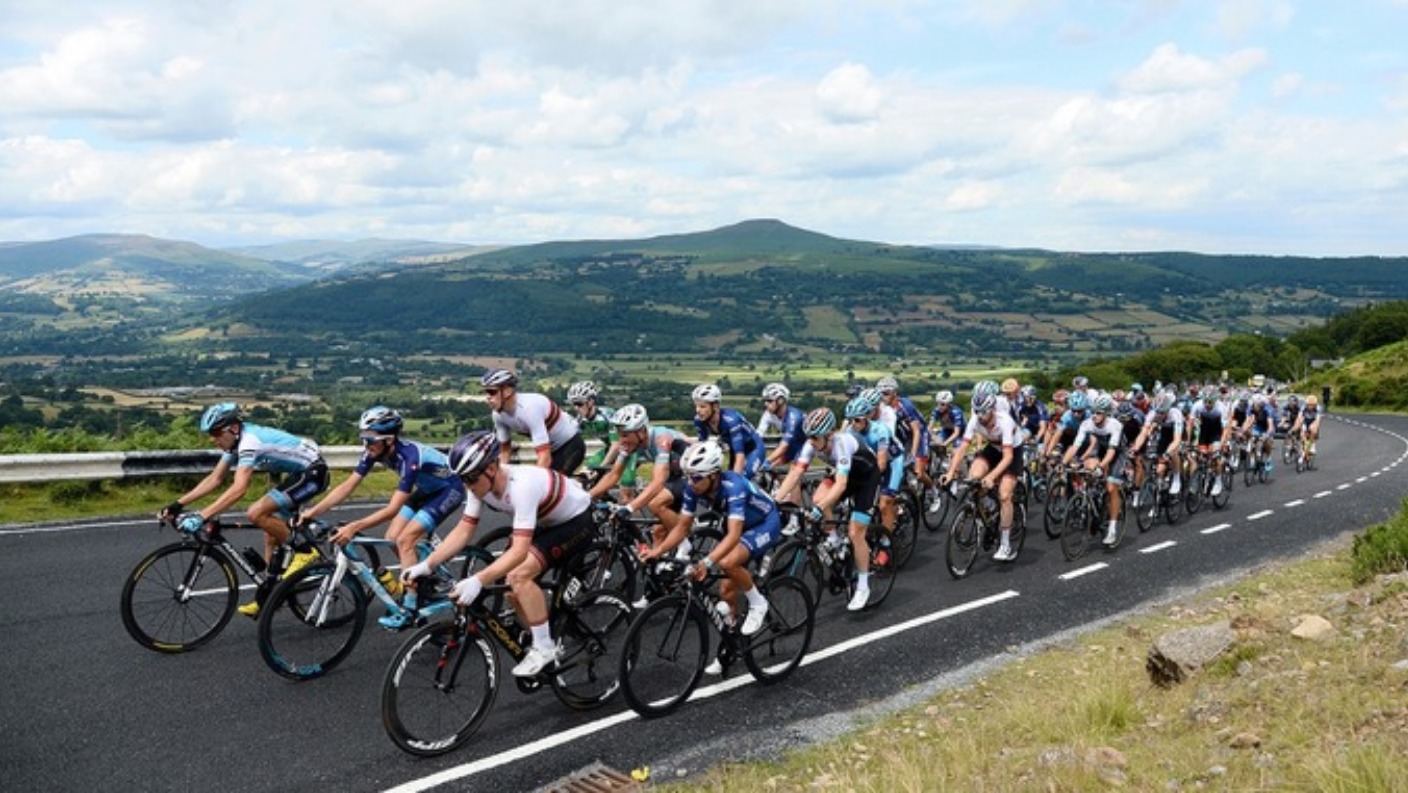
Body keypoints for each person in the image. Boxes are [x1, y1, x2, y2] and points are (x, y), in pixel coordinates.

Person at [402, 430, 597, 678]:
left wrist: (478, 579)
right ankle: (547, 637)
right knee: (510, 590)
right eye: (463, 480)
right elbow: (463, 531)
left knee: (518, 576)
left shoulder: (521, 487)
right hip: (545, 520)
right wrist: (427, 565)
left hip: (575, 521)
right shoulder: (478, 483)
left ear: (492, 468)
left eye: (470, 479)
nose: (467, 486)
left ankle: (545, 648)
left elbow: (519, 551)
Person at [299, 406, 465, 629]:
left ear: (389, 440)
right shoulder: (373, 452)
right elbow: (348, 486)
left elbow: (392, 508)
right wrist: (313, 511)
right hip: (427, 489)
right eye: (363, 438)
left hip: (449, 489)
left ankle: (410, 605)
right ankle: (424, 579)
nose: (366, 445)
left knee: (405, 540)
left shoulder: (410, 457)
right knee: (392, 537)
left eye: (370, 439)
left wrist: (354, 526)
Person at [161, 402, 327, 618]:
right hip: (297, 474)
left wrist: (202, 515)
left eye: (216, 433)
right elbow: (215, 478)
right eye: (211, 434)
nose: (213, 439)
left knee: (255, 513)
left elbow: (239, 489)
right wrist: (178, 504)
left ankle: (306, 551)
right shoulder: (234, 443)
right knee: (271, 534)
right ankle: (270, 595)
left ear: (233, 428)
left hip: (313, 474)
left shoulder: (249, 442)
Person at [641, 441, 776, 662]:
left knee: (727, 563)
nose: (690, 483)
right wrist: (659, 551)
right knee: (725, 590)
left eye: (696, 477)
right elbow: (682, 527)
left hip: (764, 523)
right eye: (688, 476)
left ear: (713, 475)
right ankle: (732, 639)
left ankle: (758, 602)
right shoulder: (694, 487)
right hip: (739, 524)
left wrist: (706, 562)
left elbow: (733, 536)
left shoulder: (734, 487)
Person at [773, 406, 883, 611]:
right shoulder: (811, 444)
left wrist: (820, 508)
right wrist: (776, 500)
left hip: (867, 479)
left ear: (829, 435)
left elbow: (840, 486)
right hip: (845, 474)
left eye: (815, 438)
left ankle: (863, 586)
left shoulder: (842, 444)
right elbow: (795, 473)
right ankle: (834, 538)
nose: (811, 442)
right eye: (809, 437)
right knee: (817, 497)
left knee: (855, 532)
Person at [590, 403, 691, 560]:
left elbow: (658, 481)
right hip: (675, 476)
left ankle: (683, 542)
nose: (621, 440)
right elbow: (613, 475)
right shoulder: (630, 444)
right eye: (619, 435)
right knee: (657, 532)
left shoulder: (661, 438)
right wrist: (587, 497)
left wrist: (629, 508)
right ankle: (661, 566)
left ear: (641, 431)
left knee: (656, 503)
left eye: (625, 435)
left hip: (694, 476)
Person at [942, 392, 1023, 562]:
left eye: (984, 412)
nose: (980, 416)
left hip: (1012, 452)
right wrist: (950, 472)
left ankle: (1005, 545)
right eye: (977, 411)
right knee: (974, 477)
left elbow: (1008, 457)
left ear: (992, 409)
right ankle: (988, 507)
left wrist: (992, 476)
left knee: (1004, 495)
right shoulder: (975, 420)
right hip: (993, 448)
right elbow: (963, 448)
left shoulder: (1004, 422)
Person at [482, 369, 586, 474]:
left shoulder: (529, 409)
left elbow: (544, 456)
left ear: (507, 391)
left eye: (492, 392)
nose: (488, 398)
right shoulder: (498, 415)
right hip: (551, 450)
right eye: (486, 392)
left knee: (551, 482)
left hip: (570, 444)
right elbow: (505, 451)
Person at [1061, 393, 1127, 546]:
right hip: (1101, 450)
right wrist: (1063, 463)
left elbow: (1111, 452)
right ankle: (1093, 501)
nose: (1095, 416)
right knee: (1087, 469)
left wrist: (1101, 467)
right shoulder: (1087, 424)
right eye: (1093, 412)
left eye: (1099, 413)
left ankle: (1112, 529)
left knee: (1111, 487)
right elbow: (1075, 446)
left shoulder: (1115, 425)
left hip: (1117, 453)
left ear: (1106, 413)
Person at [567, 380, 636, 495]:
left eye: (579, 403)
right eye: (573, 404)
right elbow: (571, 441)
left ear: (591, 401)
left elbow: (616, 445)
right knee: (586, 474)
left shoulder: (607, 415)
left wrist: (601, 467)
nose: (576, 408)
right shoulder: (580, 419)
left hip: (629, 450)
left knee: (625, 491)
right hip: (610, 449)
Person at [691, 383, 767, 478]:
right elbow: (702, 445)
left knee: (742, 478)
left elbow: (739, 455)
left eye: (702, 406)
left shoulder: (731, 420)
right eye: (696, 406)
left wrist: (736, 481)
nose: (698, 410)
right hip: (734, 450)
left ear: (715, 407)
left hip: (753, 448)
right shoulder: (699, 420)